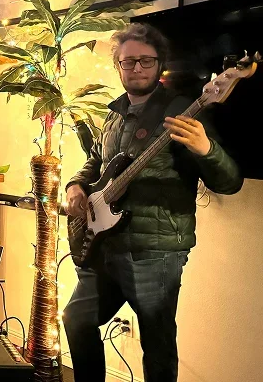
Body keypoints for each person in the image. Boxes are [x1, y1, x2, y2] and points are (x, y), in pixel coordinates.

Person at [62, 23, 243, 382]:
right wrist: (75, 186)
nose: (137, 69)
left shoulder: (184, 111)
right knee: (76, 319)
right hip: (105, 246)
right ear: (118, 67)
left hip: (156, 253)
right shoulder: (114, 114)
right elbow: (96, 161)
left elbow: (229, 182)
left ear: (159, 64)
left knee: (157, 348)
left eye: (146, 61)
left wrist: (206, 149)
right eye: (128, 62)